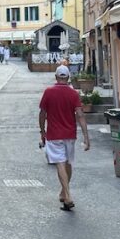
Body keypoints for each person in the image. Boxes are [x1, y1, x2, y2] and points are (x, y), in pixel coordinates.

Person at [39, 65, 90, 211]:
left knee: (60, 163)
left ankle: (68, 196)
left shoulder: (49, 92)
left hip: (54, 134)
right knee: (67, 163)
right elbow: (80, 115)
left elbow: (42, 113)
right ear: (68, 78)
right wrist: (86, 137)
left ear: (56, 77)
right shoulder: (73, 94)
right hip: (70, 134)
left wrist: (42, 131)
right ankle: (63, 192)